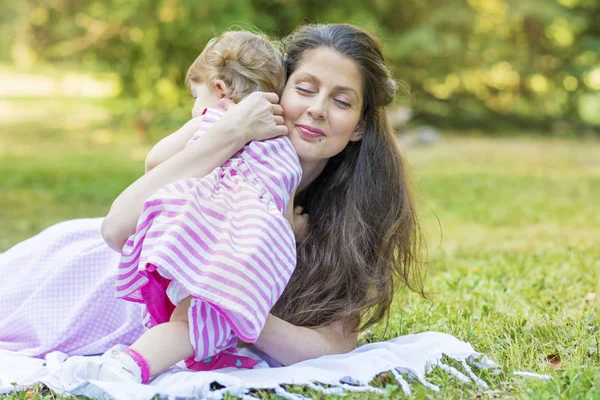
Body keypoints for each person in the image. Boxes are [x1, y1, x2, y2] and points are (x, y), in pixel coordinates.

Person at [0, 23, 424, 371]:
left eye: (342, 101)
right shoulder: (226, 150)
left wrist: (234, 306)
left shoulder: (349, 215)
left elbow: (334, 346)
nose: (317, 109)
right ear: (276, 88)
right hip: (87, 282)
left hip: (151, 339)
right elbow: (114, 230)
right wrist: (230, 133)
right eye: (306, 89)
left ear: (359, 126)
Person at [96, 30, 302, 383]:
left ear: (219, 89)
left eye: (195, 95)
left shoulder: (211, 123)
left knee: (187, 321)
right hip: (249, 261)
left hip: (195, 243)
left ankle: (129, 366)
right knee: (197, 319)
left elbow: (154, 162)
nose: (194, 106)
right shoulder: (285, 149)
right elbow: (283, 219)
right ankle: (195, 357)